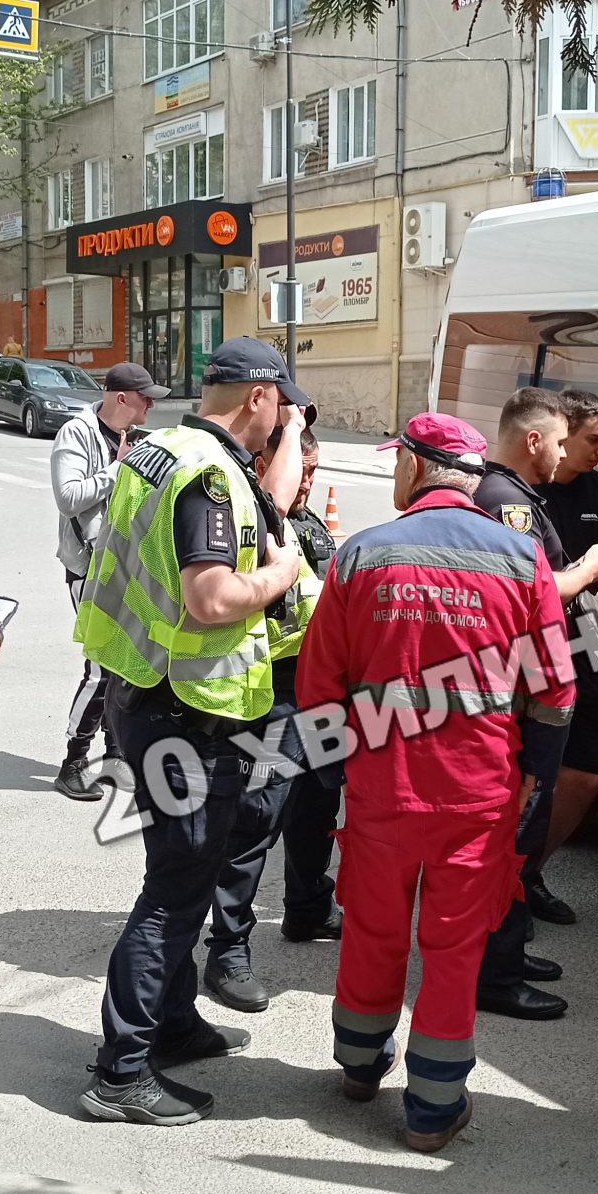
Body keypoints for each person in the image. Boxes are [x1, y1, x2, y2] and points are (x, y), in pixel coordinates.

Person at [295, 413, 575, 1151]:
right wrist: (533, 782)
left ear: (417, 467)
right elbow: (555, 691)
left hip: (383, 787)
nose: (395, 472)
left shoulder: (359, 555)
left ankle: (360, 1066)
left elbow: (319, 687)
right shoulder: (522, 558)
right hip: (478, 793)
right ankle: (432, 1108)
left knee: (372, 927)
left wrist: (340, 768)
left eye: (397, 461)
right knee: (455, 951)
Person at [73, 337, 311, 1126]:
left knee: (181, 874)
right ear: (259, 398)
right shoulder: (207, 475)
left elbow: (261, 506)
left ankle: (172, 1024)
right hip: (186, 712)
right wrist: (281, 575)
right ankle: (120, 1074)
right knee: (175, 893)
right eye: (283, 407)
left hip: (143, 694)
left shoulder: (163, 450)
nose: (283, 421)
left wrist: (292, 442)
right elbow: (210, 599)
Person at [471, 387, 598, 1020]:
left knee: (525, 821)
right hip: (523, 684)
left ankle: (504, 954)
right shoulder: (506, 503)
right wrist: (586, 571)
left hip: (539, 681)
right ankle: (494, 971)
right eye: (561, 441)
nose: (565, 454)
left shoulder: (519, 496)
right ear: (533, 439)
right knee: (517, 821)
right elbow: (533, 591)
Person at [203, 423, 344, 1013]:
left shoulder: (307, 524)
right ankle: (227, 950)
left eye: (314, 472)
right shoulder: (250, 522)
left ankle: (307, 907)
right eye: (300, 472)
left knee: (318, 806)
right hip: (271, 692)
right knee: (256, 818)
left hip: (323, 692)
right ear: (263, 468)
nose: (307, 483)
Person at [49, 361, 170, 800]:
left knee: (121, 662)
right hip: (88, 567)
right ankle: (73, 762)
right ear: (122, 398)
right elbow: (68, 498)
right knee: (101, 667)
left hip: (123, 565)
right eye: (145, 398)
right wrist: (118, 470)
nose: (150, 406)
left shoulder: (133, 437)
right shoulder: (77, 433)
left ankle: (115, 756)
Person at [534, 389, 598, 904]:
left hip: (587, 637)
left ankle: (529, 872)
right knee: (529, 768)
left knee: (585, 776)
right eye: (594, 440)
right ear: (562, 434)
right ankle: (508, 881)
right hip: (529, 644)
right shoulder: (525, 492)